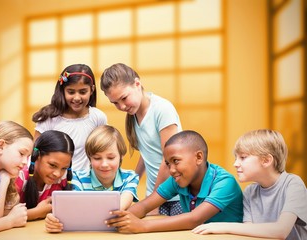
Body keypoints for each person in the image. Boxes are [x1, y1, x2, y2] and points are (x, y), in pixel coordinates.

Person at [105, 130, 243, 233]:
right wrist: (118, 219)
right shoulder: (178, 179)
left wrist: (142, 226)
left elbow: (194, 219)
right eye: (168, 163)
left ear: (199, 157)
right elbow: (145, 206)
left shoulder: (225, 182)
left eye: (176, 161)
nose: (171, 170)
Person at [192, 129, 307, 240]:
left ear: (266, 160)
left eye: (243, 157)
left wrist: (222, 226)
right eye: (236, 158)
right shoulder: (250, 191)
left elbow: (281, 231)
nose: (235, 164)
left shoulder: (293, 184)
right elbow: (248, 231)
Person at [100, 63, 182, 216]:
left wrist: (153, 203)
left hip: (177, 196)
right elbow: (147, 153)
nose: (122, 106)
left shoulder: (162, 109)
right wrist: (131, 182)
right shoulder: (134, 115)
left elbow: (169, 159)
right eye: (115, 103)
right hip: (155, 196)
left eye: (124, 98)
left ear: (137, 84)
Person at [44, 125, 139, 233]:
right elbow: (74, 207)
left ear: (121, 156)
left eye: (111, 158)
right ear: (89, 158)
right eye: (97, 158)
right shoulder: (77, 177)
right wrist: (54, 220)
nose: (104, 164)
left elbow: (122, 204)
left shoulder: (130, 177)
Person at [32, 64, 107, 172]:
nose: (77, 98)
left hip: (86, 182)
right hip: (55, 179)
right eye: (71, 92)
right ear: (63, 90)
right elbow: (35, 153)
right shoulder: (49, 118)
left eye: (83, 92)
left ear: (92, 90)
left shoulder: (98, 118)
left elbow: (104, 150)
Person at [15, 130, 74, 221]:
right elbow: (4, 215)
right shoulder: (19, 176)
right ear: (37, 156)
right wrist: (37, 213)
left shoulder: (63, 180)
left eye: (64, 168)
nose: (57, 174)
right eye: (52, 165)